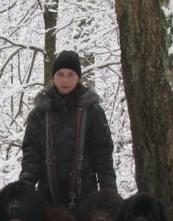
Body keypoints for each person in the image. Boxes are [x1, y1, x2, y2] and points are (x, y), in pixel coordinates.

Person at [19, 50, 117, 209]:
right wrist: (24, 189)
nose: (65, 80)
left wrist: (110, 195)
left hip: (86, 201)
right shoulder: (40, 113)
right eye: (60, 74)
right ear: (53, 76)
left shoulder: (93, 111)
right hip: (47, 200)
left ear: (78, 76)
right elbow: (31, 155)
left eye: (71, 74)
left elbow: (103, 156)